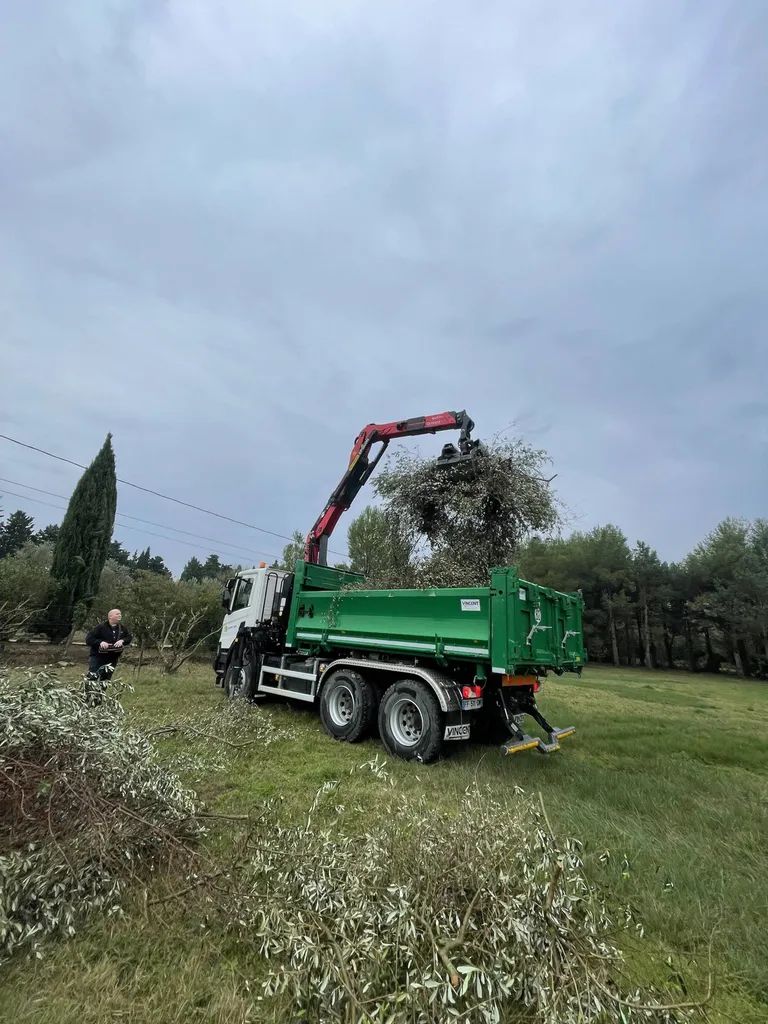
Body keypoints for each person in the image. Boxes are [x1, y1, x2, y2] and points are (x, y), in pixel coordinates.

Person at [85, 608, 132, 678]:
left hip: (112, 658)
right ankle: (91, 689)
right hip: (98, 657)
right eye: (117, 614)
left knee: (106, 679)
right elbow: (89, 640)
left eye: (120, 614)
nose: (120, 615)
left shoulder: (122, 628)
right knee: (93, 677)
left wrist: (122, 641)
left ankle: (102, 689)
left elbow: (129, 638)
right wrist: (100, 642)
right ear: (110, 616)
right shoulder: (100, 627)